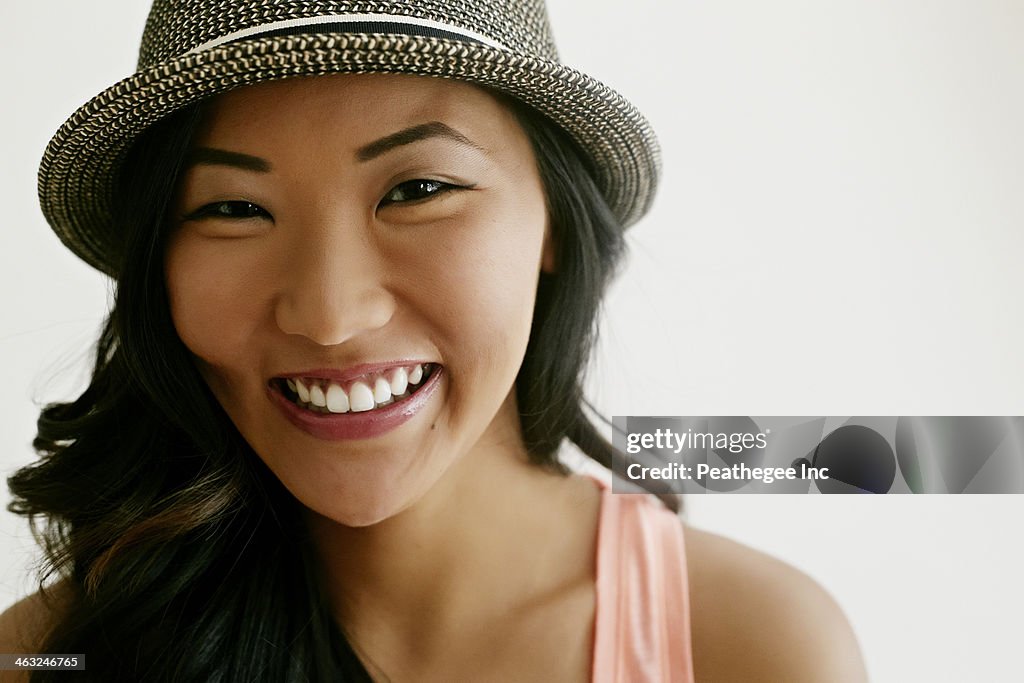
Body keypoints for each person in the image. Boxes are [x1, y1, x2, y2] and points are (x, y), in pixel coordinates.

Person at [1, 1, 867, 680]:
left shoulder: (751, 647)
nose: (331, 315)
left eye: (417, 189)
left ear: (554, 223)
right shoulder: (52, 655)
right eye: (233, 209)